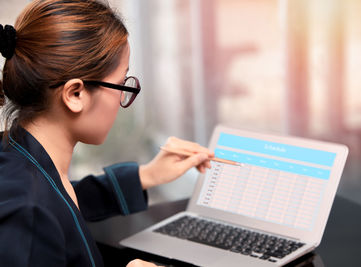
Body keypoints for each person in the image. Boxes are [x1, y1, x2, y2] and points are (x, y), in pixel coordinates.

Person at [0, 0, 213, 266]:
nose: (122, 98)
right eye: (121, 84)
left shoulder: (17, 156)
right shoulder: (28, 214)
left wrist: (147, 175)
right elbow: (46, 212)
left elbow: (65, 199)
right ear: (75, 94)